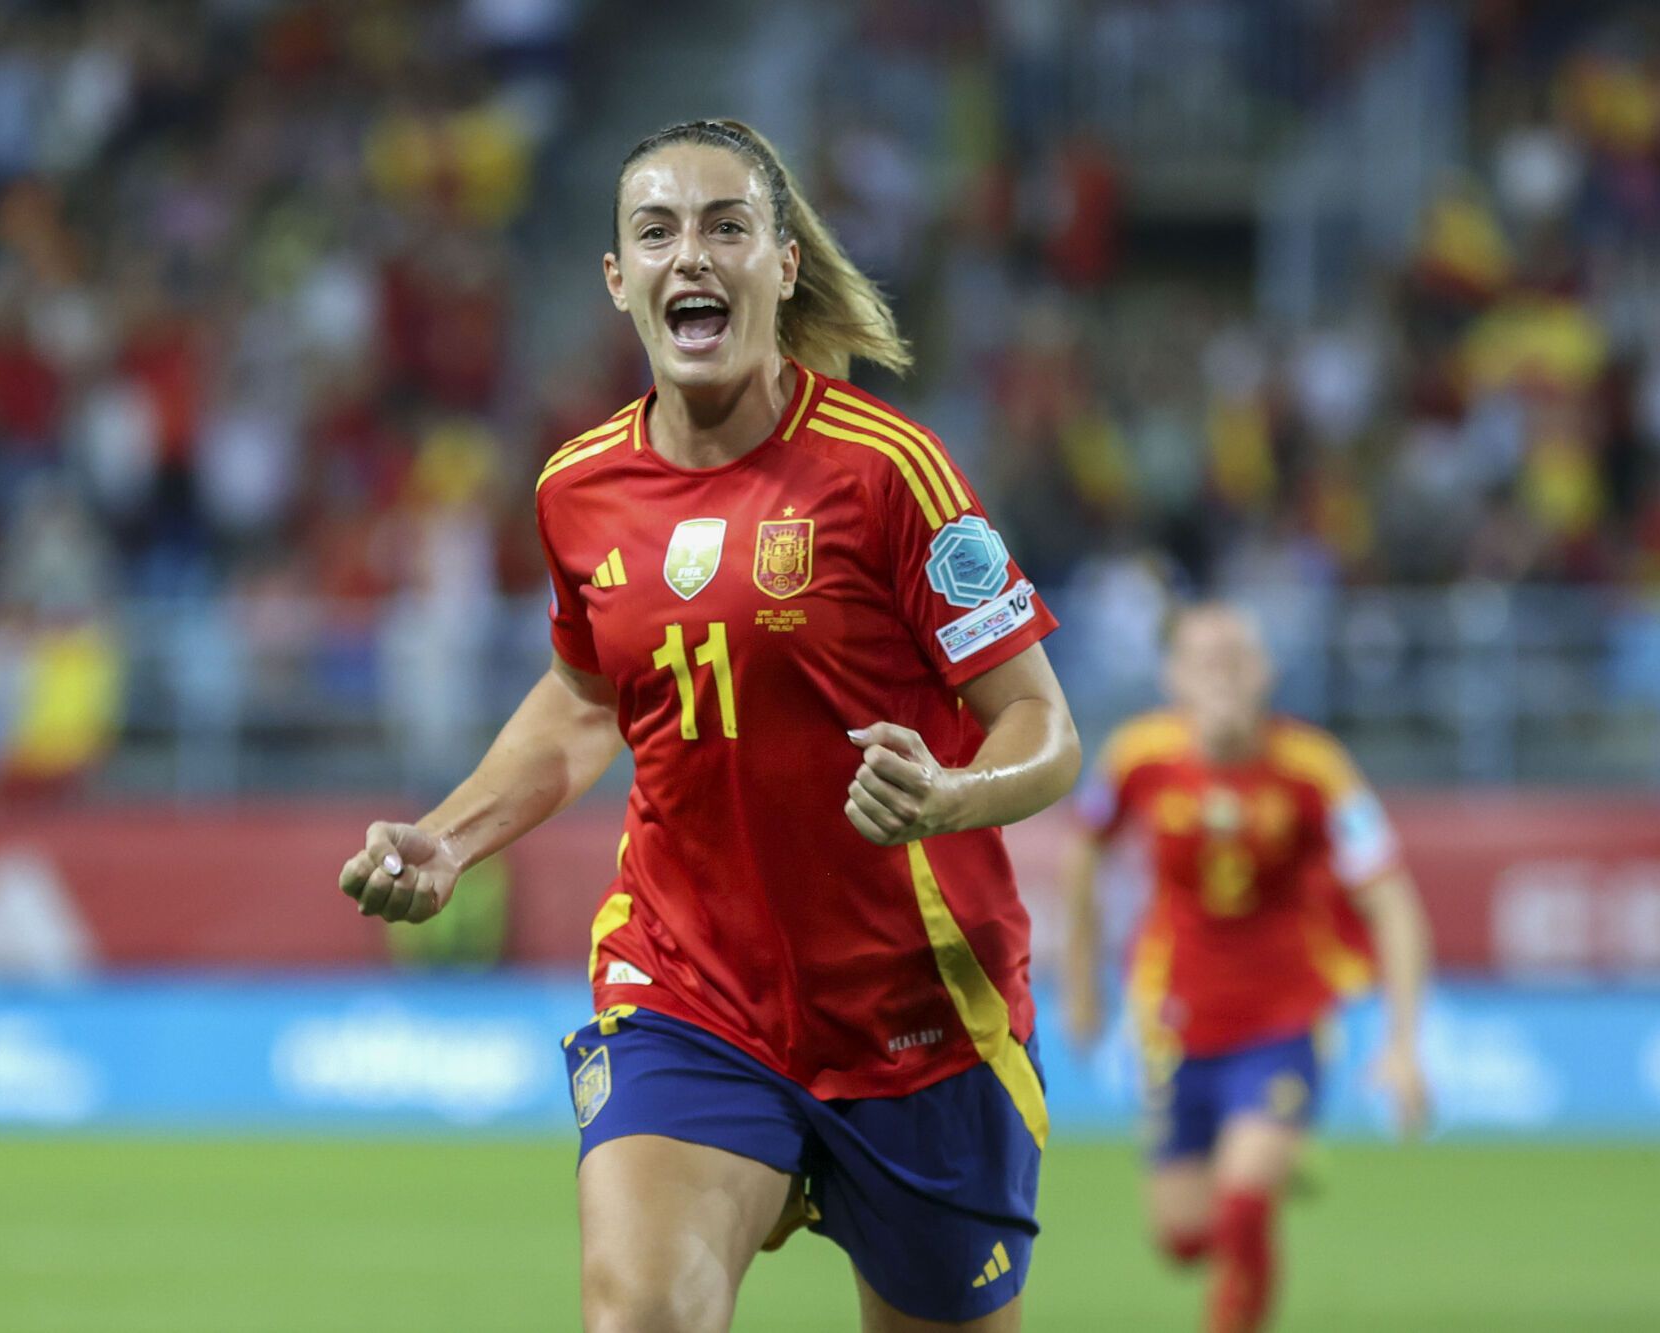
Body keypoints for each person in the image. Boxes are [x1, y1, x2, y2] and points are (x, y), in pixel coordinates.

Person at [336, 119, 1081, 1332]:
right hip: (690, 986)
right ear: (618, 280)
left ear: (780, 267)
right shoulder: (576, 490)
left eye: (727, 226)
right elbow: (586, 698)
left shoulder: (889, 471)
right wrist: (451, 835)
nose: (693, 253)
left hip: (915, 1014)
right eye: (657, 230)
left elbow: (1044, 727)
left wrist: (947, 798)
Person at [1059, 604, 1432, 1333]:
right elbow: (1082, 854)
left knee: (1243, 1205)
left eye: (1237, 657)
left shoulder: (1314, 766)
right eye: (1205, 658)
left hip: (1283, 1016)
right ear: (1173, 676)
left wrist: (1403, 1043)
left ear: (1266, 672)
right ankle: (1268, 1156)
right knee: (1184, 1236)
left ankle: (1266, 1157)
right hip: (1174, 1017)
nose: (1222, 672)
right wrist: (1080, 982)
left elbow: (1394, 902)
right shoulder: (1138, 755)